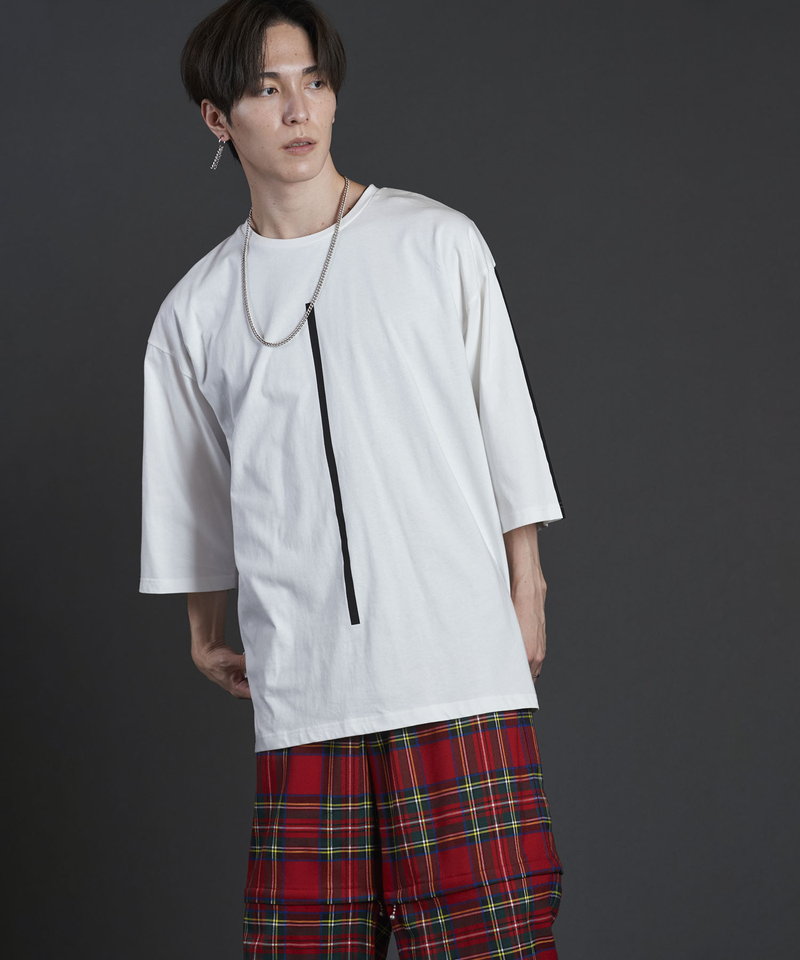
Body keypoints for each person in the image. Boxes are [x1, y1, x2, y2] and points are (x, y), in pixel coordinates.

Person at [139, 1, 567, 956]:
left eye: (315, 82)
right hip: (306, 683)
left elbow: (506, 426)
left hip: (457, 665)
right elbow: (192, 492)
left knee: (495, 937)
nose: (299, 109)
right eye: (266, 89)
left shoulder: (436, 242)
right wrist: (205, 629)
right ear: (218, 118)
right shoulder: (193, 312)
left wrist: (527, 586)